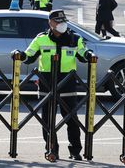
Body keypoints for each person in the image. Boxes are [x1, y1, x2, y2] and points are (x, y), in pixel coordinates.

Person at [15, 10, 93, 161]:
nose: (61, 25)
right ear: (50, 23)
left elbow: (83, 53)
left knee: (71, 118)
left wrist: (89, 54)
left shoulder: (74, 39)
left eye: (63, 21)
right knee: (47, 120)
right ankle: (52, 149)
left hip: (67, 82)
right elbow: (29, 56)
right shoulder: (41, 39)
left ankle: (75, 150)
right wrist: (21, 55)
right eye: (58, 22)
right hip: (47, 82)